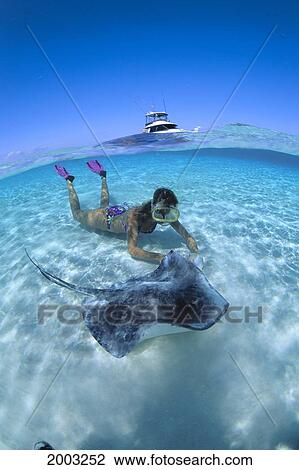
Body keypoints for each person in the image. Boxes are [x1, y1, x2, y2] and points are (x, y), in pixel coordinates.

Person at [55, 160, 199, 263]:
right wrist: (162, 258)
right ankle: (68, 179)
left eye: (168, 211)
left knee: (104, 204)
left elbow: (187, 236)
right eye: (161, 211)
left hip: (120, 211)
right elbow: (132, 250)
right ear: (153, 206)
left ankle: (103, 175)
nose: (164, 216)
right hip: (109, 219)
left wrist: (195, 252)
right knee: (77, 214)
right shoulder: (135, 218)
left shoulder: (164, 212)